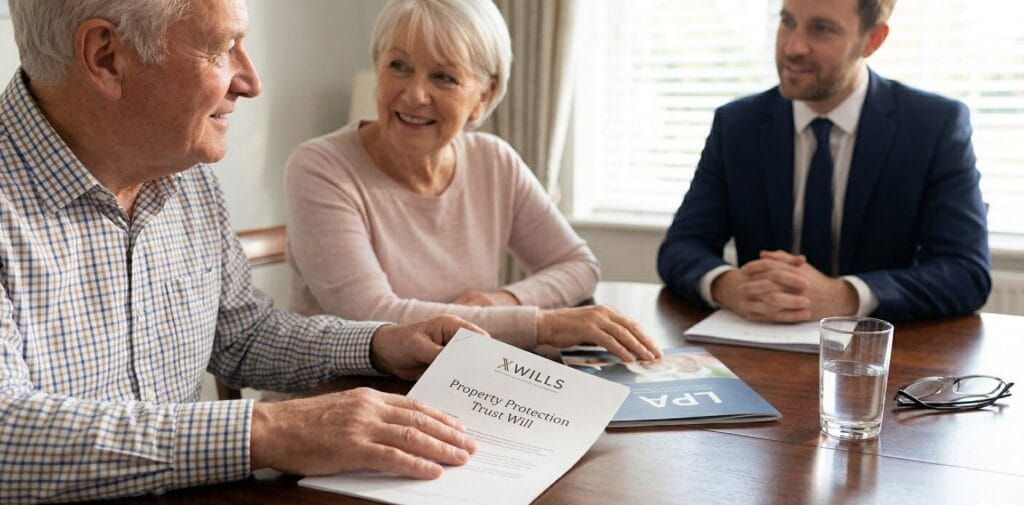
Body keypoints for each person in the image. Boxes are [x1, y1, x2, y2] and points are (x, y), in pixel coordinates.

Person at [0, 0, 482, 505]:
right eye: (222, 48)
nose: (250, 81)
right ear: (106, 57)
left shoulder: (186, 179)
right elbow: (7, 432)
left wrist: (379, 345)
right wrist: (267, 431)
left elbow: (241, 333)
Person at [284, 0, 662, 363]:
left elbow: (578, 265)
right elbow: (375, 317)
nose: (415, 94)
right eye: (398, 66)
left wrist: (505, 301)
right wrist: (540, 324)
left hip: (460, 381)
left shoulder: (493, 160)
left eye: (443, 77)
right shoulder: (320, 168)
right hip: (339, 399)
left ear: (485, 94)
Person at [657, 0, 991, 323]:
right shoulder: (737, 125)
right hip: (757, 353)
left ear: (872, 40)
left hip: (884, 360)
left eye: (822, 29)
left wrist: (845, 295)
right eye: (787, 22)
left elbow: (966, 272)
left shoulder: (932, 126)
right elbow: (682, 246)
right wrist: (728, 286)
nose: (793, 47)